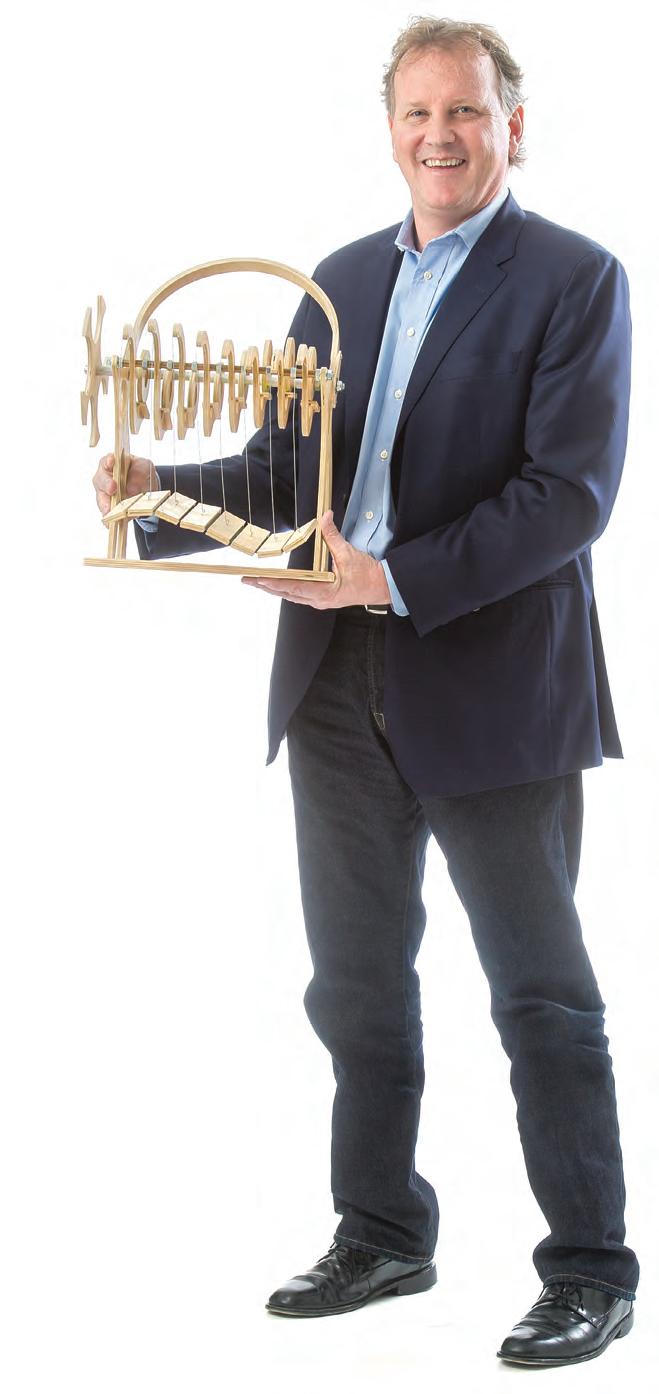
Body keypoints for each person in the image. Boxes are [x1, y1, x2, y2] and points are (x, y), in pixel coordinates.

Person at [92, 17, 639, 1368]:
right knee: (353, 984)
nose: (440, 135)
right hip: (335, 682)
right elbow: (284, 477)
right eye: (417, 113)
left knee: (540, 993)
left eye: (466, 112)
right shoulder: (339, 280)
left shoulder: (576, 278)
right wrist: (153, 495)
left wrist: (388, 576)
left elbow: (568, 496)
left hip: (494, 686)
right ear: (390, 130)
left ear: (515, 128)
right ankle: (383, 1230)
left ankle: (591, 1266)